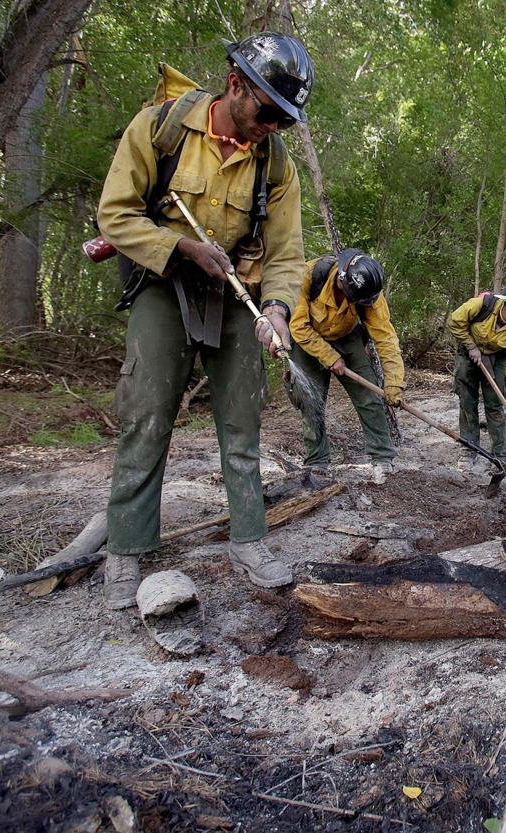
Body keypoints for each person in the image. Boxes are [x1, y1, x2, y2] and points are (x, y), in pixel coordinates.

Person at [96, 33, 313, 609]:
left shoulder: (276, 163)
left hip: (239, 291)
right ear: (236, 86)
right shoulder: (158, 127)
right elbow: (114, 215)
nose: (273, 126)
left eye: (284, 120)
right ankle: (127, 548)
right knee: (147, 415)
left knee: (243, 422)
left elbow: (288, 252)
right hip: (163, 284)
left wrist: (277, 310)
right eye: (268, 112)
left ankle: (250, 539)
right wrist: (184, 249)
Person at [288, 249, 403, 480]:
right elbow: (298, 326)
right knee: (310, 400)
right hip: (307, 339)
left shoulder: (370, 292)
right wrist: (330, 357)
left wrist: (394, 383)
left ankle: (382, 457)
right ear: (342, 280)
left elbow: (385, 337)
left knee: (369, 397)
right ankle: (317, 461)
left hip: (347, 336)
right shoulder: (308, 276)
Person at [446, 284, 506, 468]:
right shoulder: (483, 304)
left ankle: (499, 455)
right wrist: (471, 346)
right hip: (469, 351)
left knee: (495, 405)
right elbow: (455, 320)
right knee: (467, 402)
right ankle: (469, 449)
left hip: (496, 357)